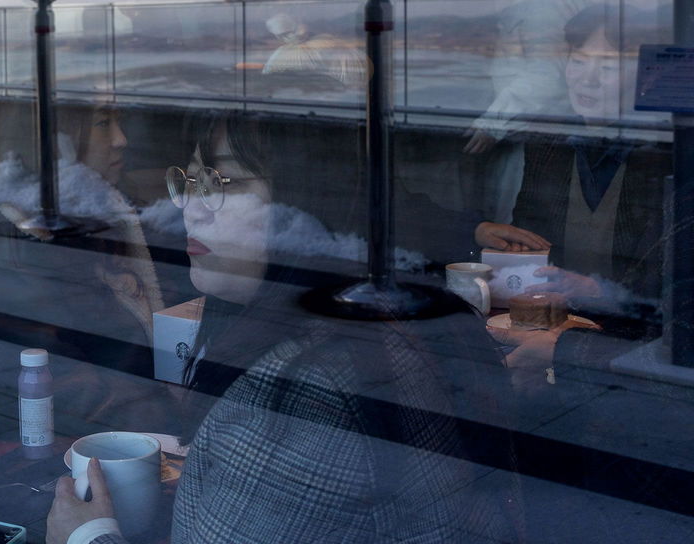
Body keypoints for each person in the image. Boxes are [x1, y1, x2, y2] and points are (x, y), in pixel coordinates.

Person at [47, 110, 521, 544]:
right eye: (190, 181)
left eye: (222, 181)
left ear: (309, 200)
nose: (192, 208)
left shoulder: (306, 391)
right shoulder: (373, 322)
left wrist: (87, 536)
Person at [0, 100, 174, 434]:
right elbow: (72, 392)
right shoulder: (22, 258)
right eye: (103, 124)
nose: (121, 139)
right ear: (59, 141)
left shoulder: (95, 223)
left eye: (119, 122)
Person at [474, 5, 668, 301]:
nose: (587, 79)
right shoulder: (547, 142)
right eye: (577, 61)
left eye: (607, 67)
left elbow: (672, 279)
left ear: (647, 77)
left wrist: (600, 292)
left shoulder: (665, 155)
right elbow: (529, 241)